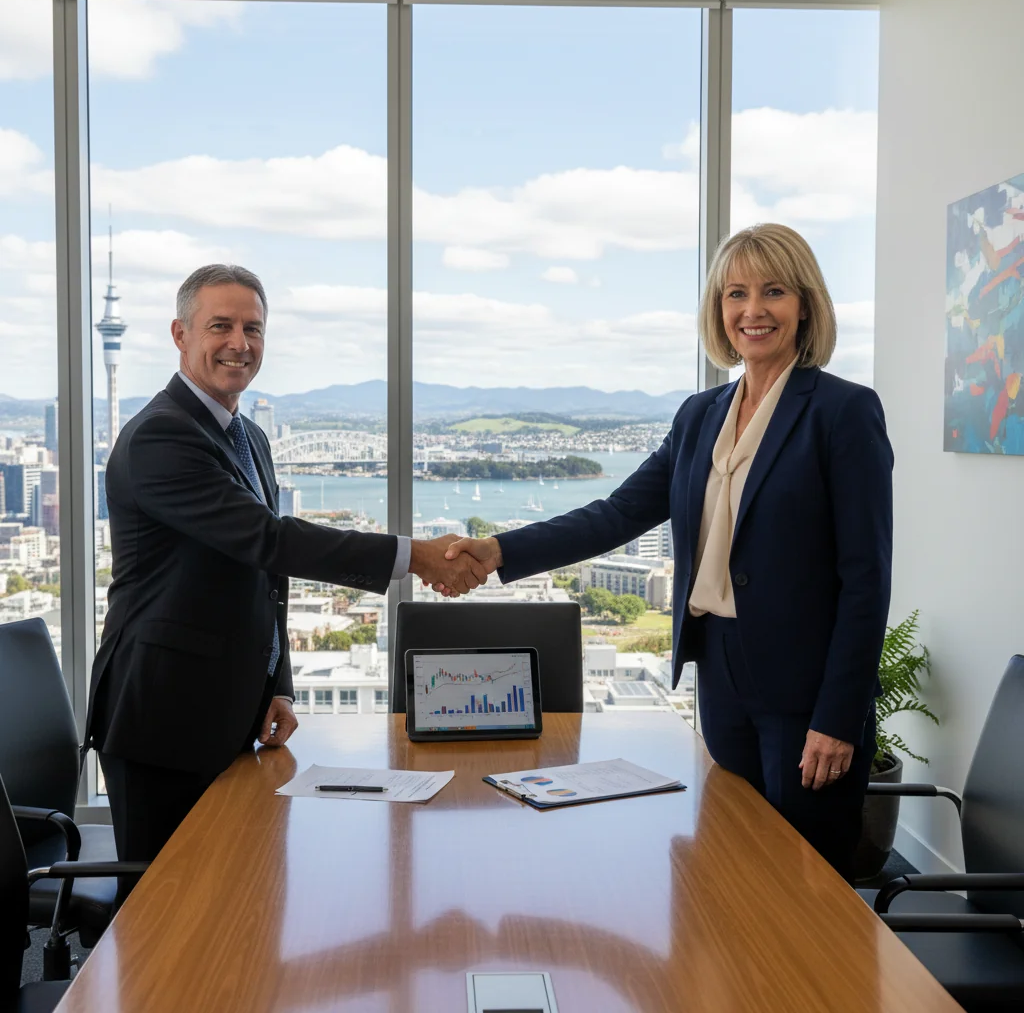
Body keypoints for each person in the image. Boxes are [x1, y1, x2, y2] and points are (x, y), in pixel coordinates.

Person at [440, 224, 893, 882]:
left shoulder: (843, 413)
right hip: (721, 674)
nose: (752, 310)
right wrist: (498, 549)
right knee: (730, 861)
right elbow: (617, 513)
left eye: (773, 291)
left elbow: (866, 579)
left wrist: (838, 717)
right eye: (735, 293)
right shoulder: (699, 415)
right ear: (718, 310)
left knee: (803, 882)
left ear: (805, 304)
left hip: (806, 687)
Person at [85, 264, 486, 887]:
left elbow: (265, 578)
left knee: (237, 896)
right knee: (162, 914)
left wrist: (278, 682)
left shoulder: (248, 437)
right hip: (161, 716)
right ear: (179, 333)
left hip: (228, 708)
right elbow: (271, 541)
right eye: (220, 325)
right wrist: (418, 556)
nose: (239, 343)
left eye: (253, 328)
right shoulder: (160, 437)